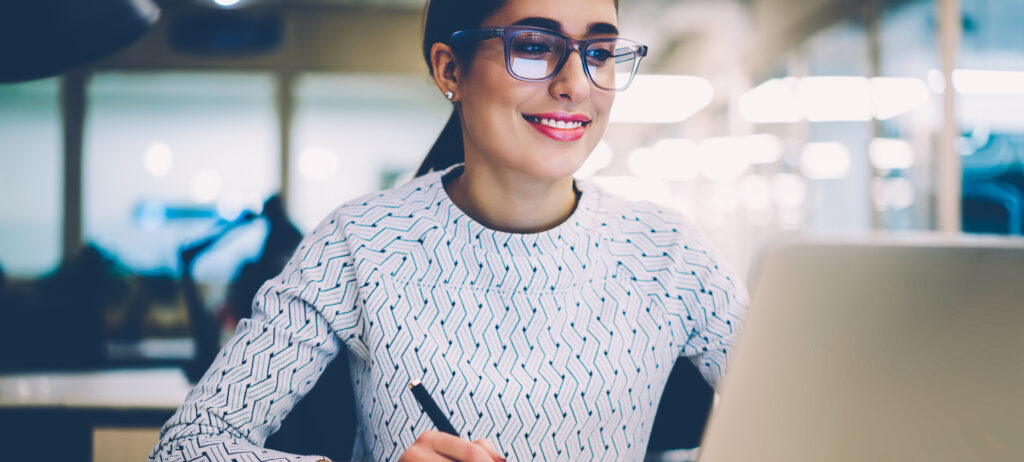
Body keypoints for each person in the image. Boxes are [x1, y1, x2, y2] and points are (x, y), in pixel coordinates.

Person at [150, 0, 748, 460]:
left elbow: (820, 421)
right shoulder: (361, 244)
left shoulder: (670, 256)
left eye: (598, 53)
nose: (575, 83)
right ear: (450, 69)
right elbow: (187, 445)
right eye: (536, 45)